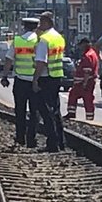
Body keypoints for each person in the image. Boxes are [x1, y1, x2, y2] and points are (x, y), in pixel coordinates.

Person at [0, 17, 40, 148]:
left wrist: (5, 76)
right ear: (36, 27)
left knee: (20, 111)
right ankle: (32, 139)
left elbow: (8, 59)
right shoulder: (39, 41)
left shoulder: (18, 41)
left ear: (24, 26)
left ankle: (20, 137)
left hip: (20, 81)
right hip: (35, 81)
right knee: (34, 112)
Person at [33, 11, 66, 152]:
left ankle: (52, 143)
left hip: (46, 77)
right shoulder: (59, 38)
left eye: (41, 22)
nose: (39, 25)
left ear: (47, 22)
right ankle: (61, 141)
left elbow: (41, 62)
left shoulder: (44, 39)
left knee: (45, 111)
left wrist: (35, 80)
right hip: (57, 76)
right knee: (56, 110)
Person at [65, 37, 99, 121]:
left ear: (85, 44)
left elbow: (87, 71)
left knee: (84, 98)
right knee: (82, 97)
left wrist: (84, 83)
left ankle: (74, 114)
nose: (80, 47)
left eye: (81, 45)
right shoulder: (92, 54)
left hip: (84, 82)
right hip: (85, 82)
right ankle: (88, 116)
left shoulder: (88, 55)